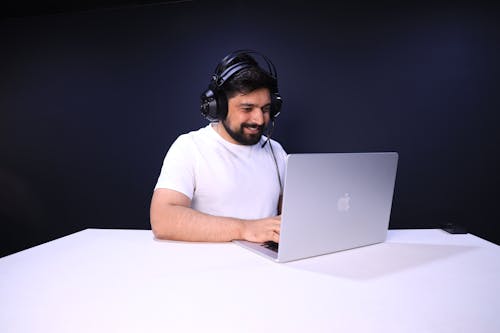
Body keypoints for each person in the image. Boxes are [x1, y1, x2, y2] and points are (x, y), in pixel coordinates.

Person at [150, 50, 287, 244]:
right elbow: (163, 219)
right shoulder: (189, 147)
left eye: (265, 109)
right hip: (208, 268)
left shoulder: (276, 151)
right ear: (218, 107)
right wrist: (246, 229)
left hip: (268, 266)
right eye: (247, 109)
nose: (259, 119)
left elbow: (290, 217)